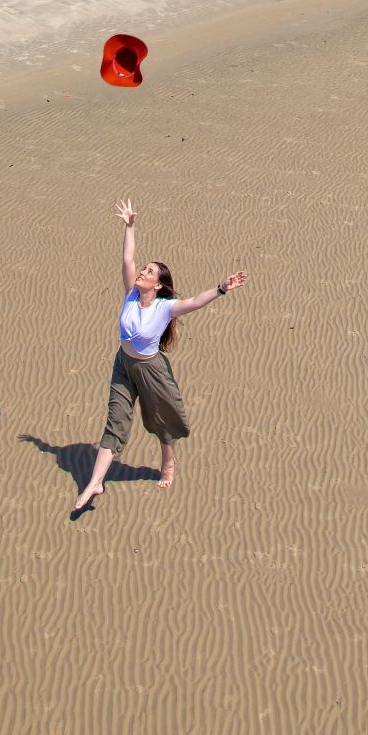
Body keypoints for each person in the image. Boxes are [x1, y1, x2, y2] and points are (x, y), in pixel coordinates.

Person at [73, 199, 245, 514]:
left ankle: (168, 461)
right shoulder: (131, 293)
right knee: (115, 421)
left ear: (160, 284)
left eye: (149, 272)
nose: (142, 272)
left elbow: (194, 301)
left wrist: (221, 288)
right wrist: (130, 226)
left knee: (160, 416)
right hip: (123, 366)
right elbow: (127, 257)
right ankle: (95, 481)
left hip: (151, 370)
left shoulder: (165, 307)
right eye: (144, 269)